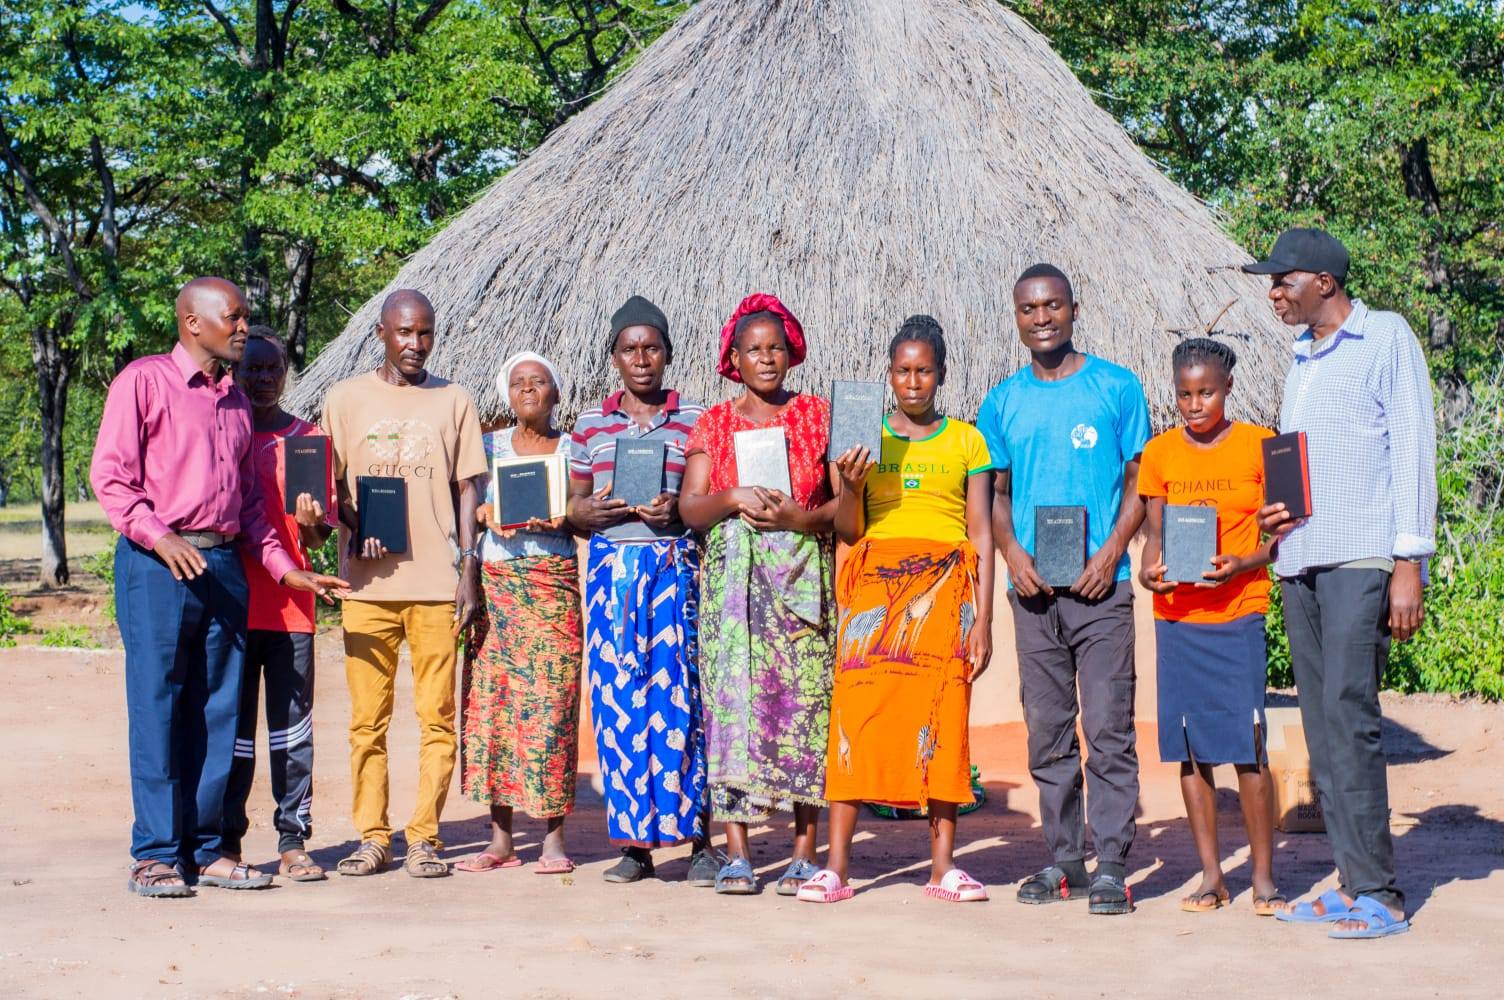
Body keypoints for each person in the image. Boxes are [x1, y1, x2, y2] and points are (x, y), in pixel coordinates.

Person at [91, 277, 348, 898]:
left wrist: (288, 569)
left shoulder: (234, 402)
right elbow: (113, 479)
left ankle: (207, 850)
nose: (242, 328)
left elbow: (253, 507)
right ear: (191, 322)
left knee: (218, 713)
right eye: (233, 318)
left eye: (244, 317)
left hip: (225, 566)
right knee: (160, 708)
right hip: (157, 567)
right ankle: (154, 855)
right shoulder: (143, 382)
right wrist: (160, 536)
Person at [1247, 228, 1435, 940]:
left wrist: (1408, 562)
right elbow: (1311, 461)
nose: (1273, 292)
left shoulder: (1385, 338)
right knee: (1323, 728)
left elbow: (1412, 446)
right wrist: (1278, 510)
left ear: (1324, 281)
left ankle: (1381, 895)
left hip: (1362, 556)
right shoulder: (1303, 359)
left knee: (1351, 714)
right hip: (1302, 558)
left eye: (1282, 280)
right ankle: (1350, 882)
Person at [797, 315, 995, 905]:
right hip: (874, 590)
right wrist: (851, 485)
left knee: (942, 715)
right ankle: (836, 869)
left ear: (940, 374)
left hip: (944, 591)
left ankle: (943, 869)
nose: (913, 382)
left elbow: (980, 531)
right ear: (889, 375)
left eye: (924, 371)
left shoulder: (967, 440)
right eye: (903, 371)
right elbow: (848, 527)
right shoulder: (861, 436)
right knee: (855, 718)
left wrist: (982, 619)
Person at [977, 263, 1150, 915]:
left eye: (1052, 306)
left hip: (1103, 590)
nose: (1042, 317)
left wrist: (1110, 553)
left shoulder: (1115, 387)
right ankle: (1065, 860)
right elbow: (995, 493)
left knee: (1107, 728)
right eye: (1029, 309)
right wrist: (1014, 554)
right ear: (1017, 317)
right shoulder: (1003, 401)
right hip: (1034, 594)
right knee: (1047, 731)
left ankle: (1111, 864)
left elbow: (1141, 479)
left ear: (1075, 310)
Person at [321, 289, 487, 879]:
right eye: (405, 334)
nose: (416, 345)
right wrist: (352, 521)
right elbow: (329, 487)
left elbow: (469, 487)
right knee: (367, 721)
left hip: (437, 585)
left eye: (425, 334)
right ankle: (372, 835)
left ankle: (424, 837)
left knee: (437, 717)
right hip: (365, 587)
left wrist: (468, 567)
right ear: (381, 334)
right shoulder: (343, 401)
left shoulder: (454, 399)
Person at [680, 292, 839, 896]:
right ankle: (738, 854)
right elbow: (691, 508)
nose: (766, 358)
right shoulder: (714, 424)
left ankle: (803, 854)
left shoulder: (816, 416)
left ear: (791, 354)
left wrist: (799, 517)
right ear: (734, 358)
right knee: (733, 712)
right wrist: (732, 497)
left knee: (803, 708)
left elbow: (840, 505)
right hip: (733, 592)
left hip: (800, 578)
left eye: (775, 347)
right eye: (754, 349)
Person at [566, 296, 718, 886]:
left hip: (674, 570)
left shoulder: (698, 421)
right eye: (629, 349)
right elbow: (572, 508)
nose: (641, 359)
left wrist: (675, 511)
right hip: (611, 577)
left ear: (668, 354)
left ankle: (700, 839)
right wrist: (591, 512)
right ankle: (636, 846)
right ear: (613, 357)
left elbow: (706, 498)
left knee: (683, 700)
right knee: (618, 705)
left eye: (651, 347)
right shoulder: (589, 425)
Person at [1136, 338, 1283, 915]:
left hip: (1239, 612)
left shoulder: (1260, 446)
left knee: (1247, 745)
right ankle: (1211, 876)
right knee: (1191, 752)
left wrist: (1244, 562)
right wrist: (1153, 574)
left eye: (1206, 392)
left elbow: (1283, 538)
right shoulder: (1160, 453)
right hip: (1179, 620)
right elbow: (1154, 536)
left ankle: (1265, 877)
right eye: (1184, 395)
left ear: (1228, 389)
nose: (1195, 405)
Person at [456, 351, 582, 875]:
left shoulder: (575, 450)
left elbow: (585, 511)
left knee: (552, 710)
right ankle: (501, 838)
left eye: (539, 382)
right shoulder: (486, 449)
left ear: (556, 393)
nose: (528, 390)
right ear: (506, 395)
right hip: (497, 589)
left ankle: (553, 838)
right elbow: (464, 513)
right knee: (494, 710)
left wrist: (557, 510)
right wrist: (485, 513)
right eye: (518, 383)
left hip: (552, 588)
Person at [221, 326, 338, 883]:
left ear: (286, 374)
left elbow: (314, 542)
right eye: (253, 370)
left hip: (293, 611)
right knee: (234, 732)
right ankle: (228, 840)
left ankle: (293, 840)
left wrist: (314, 525)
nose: (263, 380)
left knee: (292, 732)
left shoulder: (309, 441)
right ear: (235, 371)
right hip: (232, 605)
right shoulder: (224, 434)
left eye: (273, 370)